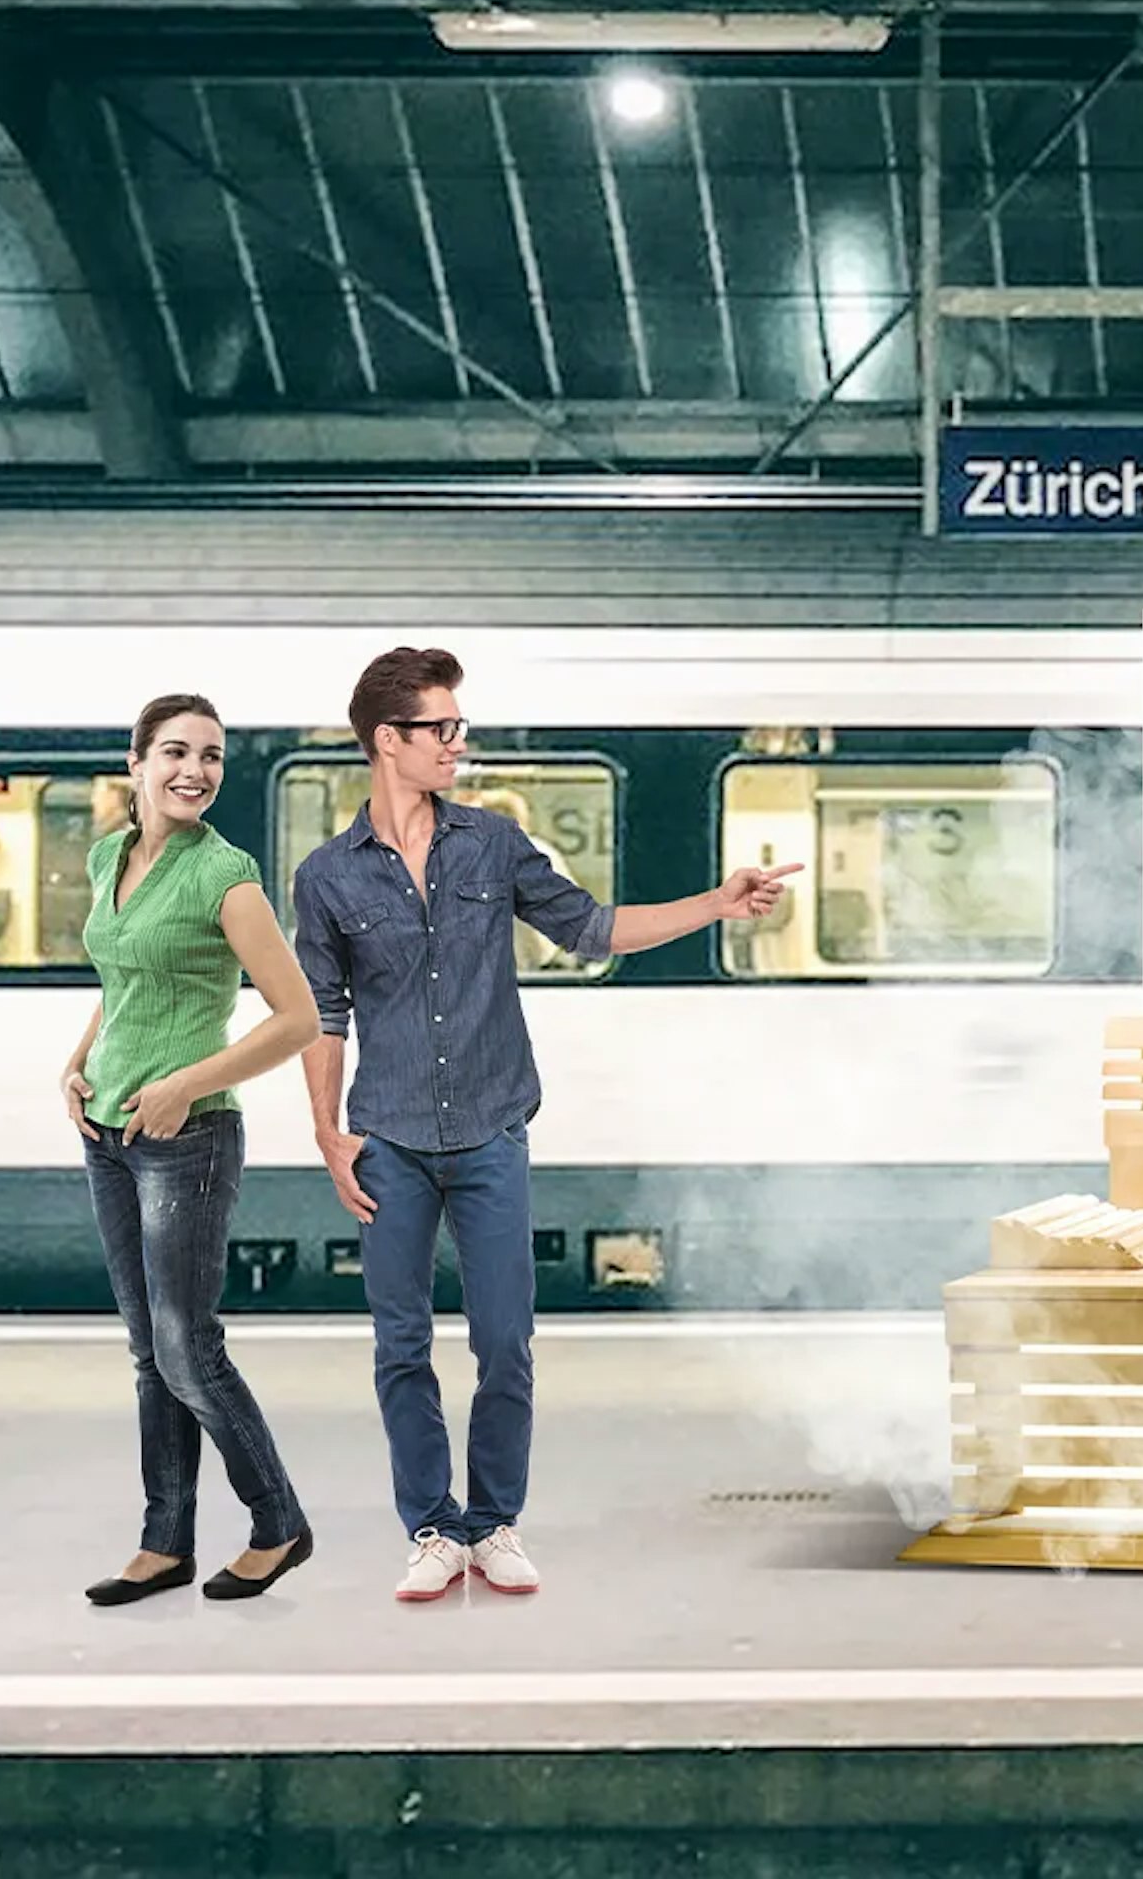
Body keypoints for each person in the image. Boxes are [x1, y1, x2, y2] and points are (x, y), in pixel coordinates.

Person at [293, 645, 798, 1605]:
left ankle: (496, 1523)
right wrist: (326, 1132)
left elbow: (594, 929)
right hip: (387, 1139)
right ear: (385, 742)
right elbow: (326, 1013)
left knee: (506, 1342)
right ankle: (433, 1531)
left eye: (457, 725)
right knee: (400, 1344)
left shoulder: (492, 845)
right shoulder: (325, 879)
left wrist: (719, 905)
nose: (457, 743)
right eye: (439, 728)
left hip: (491, 1132)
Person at [58, 693, 324, 1606]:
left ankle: (279, 1522)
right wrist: (81, 1057)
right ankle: (164, 1542)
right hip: (110, 1131)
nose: (195, 771)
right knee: (147, 1351)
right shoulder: (108, 858)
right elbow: (123, 976)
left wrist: (187, 1084)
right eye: (175, 752)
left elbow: (298, 1019)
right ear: (134, 762)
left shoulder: (227, 876)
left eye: (211, 757)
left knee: (187, 1350)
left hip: (188, 1139)